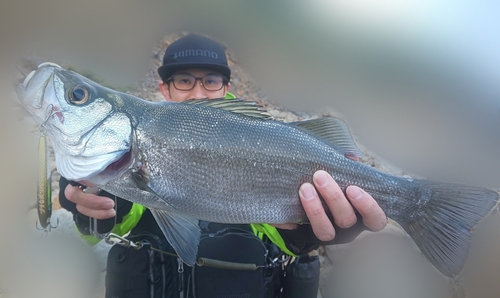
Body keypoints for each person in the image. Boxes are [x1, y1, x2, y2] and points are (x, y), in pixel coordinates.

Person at [59, 34, 387, 298]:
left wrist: (308, 233)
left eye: (211, 81)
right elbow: (118, 219)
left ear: (227, 88)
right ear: (165, 89)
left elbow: (279, 233)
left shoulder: (264, 137)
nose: (199, 91)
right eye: (184, 81)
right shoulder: (136, 138)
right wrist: (92, 200)